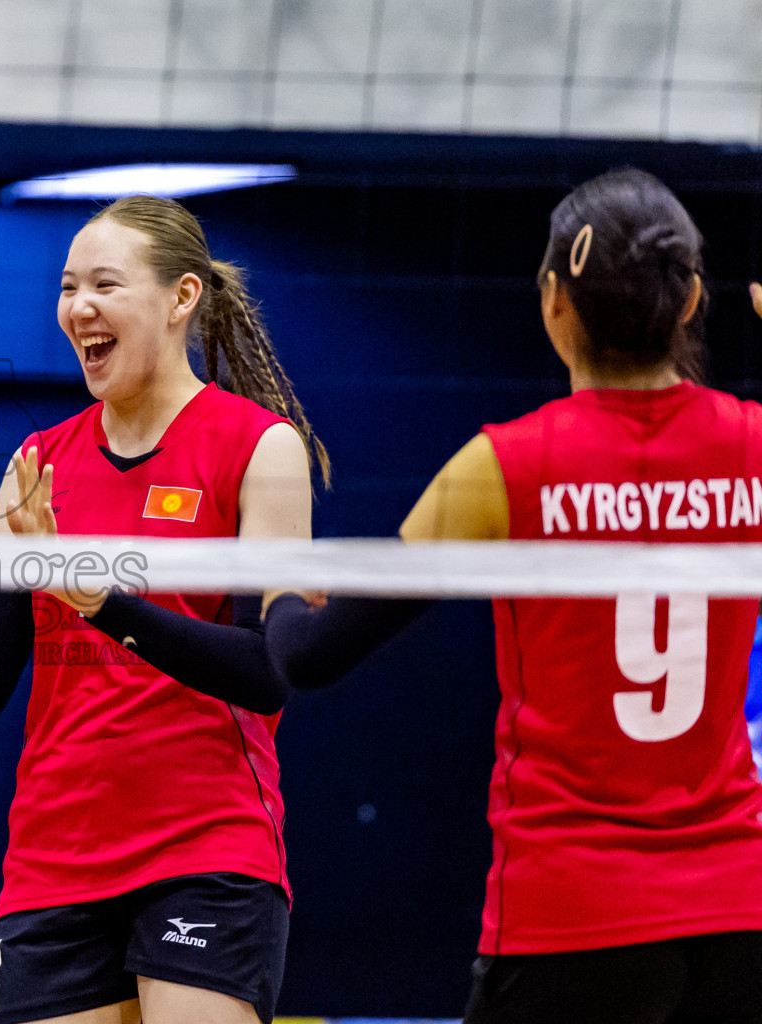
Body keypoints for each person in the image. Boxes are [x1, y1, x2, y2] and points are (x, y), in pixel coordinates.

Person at [265, 168, 762, 1024]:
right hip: (738, 919)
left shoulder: (506, 466)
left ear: (553, 302)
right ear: (688, 305)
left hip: (571, 916)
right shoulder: (753, 446)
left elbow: (309, 653)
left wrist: (275, 577)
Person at [0, 195, 325, 1024]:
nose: (79, 308)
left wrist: (98, 598)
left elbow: (266, 671)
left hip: (207, 847)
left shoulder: (262, 448)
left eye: (105, 285)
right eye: (69, 287)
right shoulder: (36, 464)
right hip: (55, 860)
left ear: (182, 298)